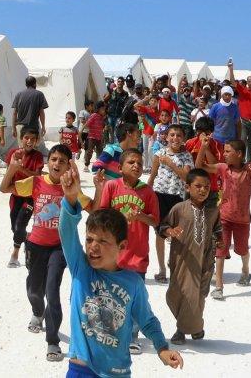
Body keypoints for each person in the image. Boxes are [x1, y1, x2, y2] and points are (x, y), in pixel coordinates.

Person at [57, 160, 184, 376]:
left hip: (117, 371)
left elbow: (147, 320)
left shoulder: (133, 282)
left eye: (103, 241)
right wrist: (70, 198)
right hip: (81, 368)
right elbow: (67, 231)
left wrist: (162, 348)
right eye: (89, 240)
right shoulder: (81, 269)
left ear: (121, 246)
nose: (93, 247)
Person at [0, 144, 89, 363]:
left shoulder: (71, 188)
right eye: (53, 159)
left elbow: (93, 207)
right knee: (34, 290)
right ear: (47, 162)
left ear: (69, 165)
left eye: (62, 161)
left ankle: (53, 341)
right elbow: (5, 188)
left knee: (53, 291)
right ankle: (38, 312)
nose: (57, 164)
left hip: (59, 248)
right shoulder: (36, 182)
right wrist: (12, 168)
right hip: (35, 245)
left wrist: (95, 187)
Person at [93, 149, 160, 355]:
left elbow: (155, 221)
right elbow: (102, 214)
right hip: (113, 253)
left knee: (134, 296)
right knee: (108, 294)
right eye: (131, 162)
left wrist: (141, 216)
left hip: (137, 254)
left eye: (139, 163)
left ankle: (132, 335)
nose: (136, 165)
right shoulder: (112, 186)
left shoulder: (148, 192)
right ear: (120, 168)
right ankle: (109, 330)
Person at [195, 140, 251, 300]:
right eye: (225, 151)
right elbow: (200, 165)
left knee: (242, 250)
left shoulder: (248, 170)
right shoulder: (223, 168)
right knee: (220, 251)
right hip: (224, 217)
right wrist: (204, 147)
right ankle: (219, 287)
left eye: (228, 151)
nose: (225, 154)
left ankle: (245, 270)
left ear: (239, 154)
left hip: (242, 219)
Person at [158, 169, 222, 345]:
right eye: (198, 186)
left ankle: (181, 330)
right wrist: (171, 231)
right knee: (176, 294)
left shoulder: (213, 211)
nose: (202, 190)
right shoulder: (179, 209)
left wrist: (220, 241)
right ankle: (195, 326)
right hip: (182, 260)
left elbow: (217, 229)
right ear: (187, 187)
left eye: (206, 187)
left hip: (204, 261)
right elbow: (162, 227)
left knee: (196, 296)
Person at [148, 124, 194, 284]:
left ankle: (174, 263)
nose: (175, 138)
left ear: (183, 139)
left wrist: (171, 164)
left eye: (179, 135)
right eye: (172, 135)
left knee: (176, 234)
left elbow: (186, 178)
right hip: (159, 196)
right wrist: (146, 193)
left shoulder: (186, 156)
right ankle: (161, 268)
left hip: (177, 198)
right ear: (166, 137)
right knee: (159, 233)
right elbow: (153, 176)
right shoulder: (159, 154)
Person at [6, 128, 45, 267]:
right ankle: (28, 238)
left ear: (36, 141)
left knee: (20, 224)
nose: (29, 141)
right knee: (14, 227)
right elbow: (8, 174)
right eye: (26, 138)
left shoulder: (38, 156)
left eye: (32, 139)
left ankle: (14, 255)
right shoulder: (12, 153)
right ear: (21, 139)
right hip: (16, 195)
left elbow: (38, 176)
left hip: (30, 197)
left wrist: (20, 168)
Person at [184, 117, 224, 207]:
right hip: (193, 185)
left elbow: (214, 166)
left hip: (211, 187)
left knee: (209, 216)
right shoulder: (190, 143)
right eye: (200, 132)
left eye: (207, 133)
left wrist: (206, 148)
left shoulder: (218, 145)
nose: (204, 136)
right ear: (197, 131)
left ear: (211, 133)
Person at [13, 75, 49, 140]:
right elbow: (41, 113)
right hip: (33, 127)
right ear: (35, 84)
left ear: (26, 84)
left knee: (22, 148)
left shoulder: (18, 94)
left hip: (20, 127)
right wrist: (43, 126)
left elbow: (14, 113)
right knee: (33, 147)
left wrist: (13, 128)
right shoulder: (39, 94)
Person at [103, 77, 130, 143]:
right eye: (119, 81)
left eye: (121, 81)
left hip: (119, 116)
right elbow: (105, 100)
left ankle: (115, 149)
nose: (120, 83)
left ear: (123, 83)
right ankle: (110, 148)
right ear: (117, 83)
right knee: (110, 133)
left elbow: (126, 106)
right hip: (110, 115)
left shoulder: (125, 94)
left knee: (116, 133)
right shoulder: (112, 91)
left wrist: (123, 118)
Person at [82, 102, 107, 172]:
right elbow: (87, 124)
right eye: (102, 109)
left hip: (99, 138)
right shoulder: (94, 115)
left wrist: (104, 127)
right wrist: (82, 130)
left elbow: (102, 126)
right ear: (98, 109)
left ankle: (99, 166)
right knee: (89, 151)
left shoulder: (102, 118)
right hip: (92, 137)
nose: (103, 111)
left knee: (100, 152)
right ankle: (86, 165)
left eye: (104, 109)